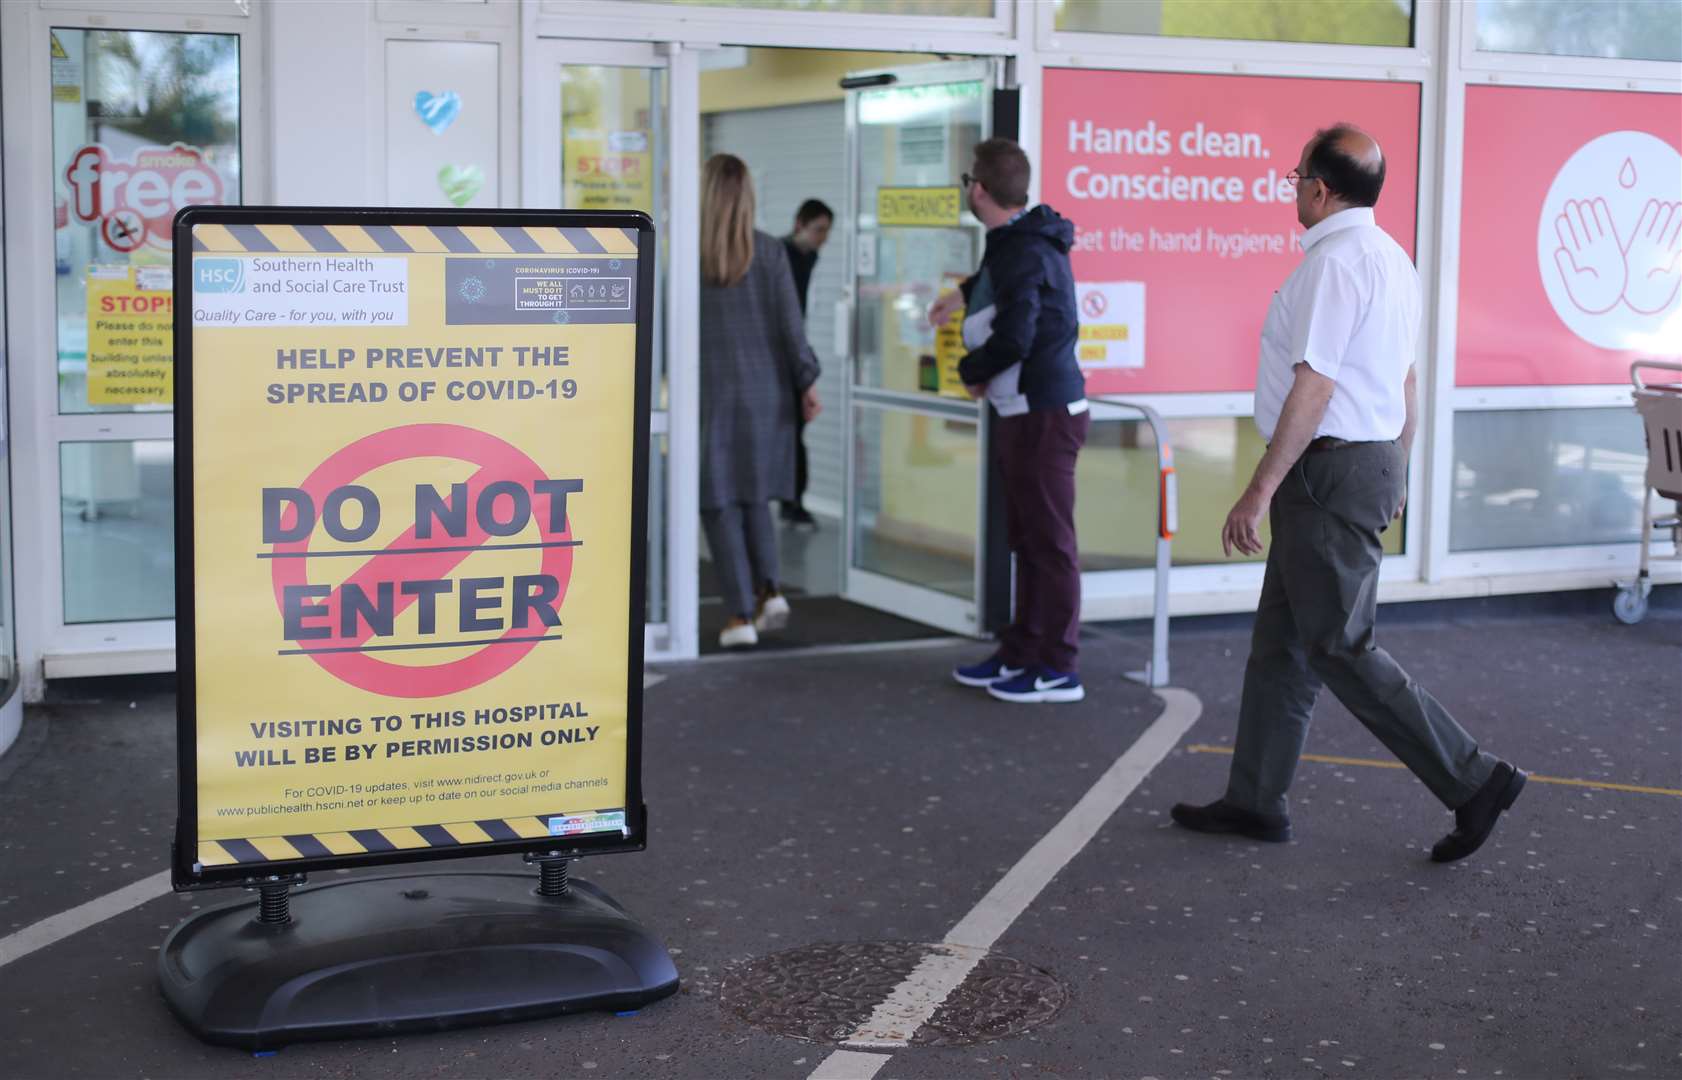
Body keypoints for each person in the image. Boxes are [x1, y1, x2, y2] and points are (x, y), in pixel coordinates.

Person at [1170, 124, 1526, 863]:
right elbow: (1406, 378)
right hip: (1353, 467)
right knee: (1282, 648)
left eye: (1295, 175)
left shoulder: (1335, 265)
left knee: (1339, 646)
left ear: (1320, 190)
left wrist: (1257, 491)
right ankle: (1254, 801)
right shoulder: (1392, 260)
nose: (1291, 185)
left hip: (1327, 472)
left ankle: (1474, 778)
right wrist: (1399, 463)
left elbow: (1317, 383)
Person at [931, 138, 1090, 704]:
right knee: (1027, 540)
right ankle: (1022, 651)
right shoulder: (1016, 242)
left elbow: (1018, 333)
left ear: (977, 189)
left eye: (966, 179)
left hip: (1043, 414)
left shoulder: (1024, 249)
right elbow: (1005, 284)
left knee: (1049, 544)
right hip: (1025, 412)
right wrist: (961, 294)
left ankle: (1059, 666)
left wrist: (973, 368)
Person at [699, 154, 823, 649]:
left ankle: (738, 616)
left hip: (710, 395)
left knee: (718, 502)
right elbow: (792, 332)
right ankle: (770, 590)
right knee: (754, 498)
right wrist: (807, 382)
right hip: (767, 396)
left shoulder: (688, 257)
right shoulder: (771, 253)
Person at [780, 199, 834, 531]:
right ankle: (788, 499)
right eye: (819, 230)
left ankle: (794, 500)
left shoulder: (809, 257)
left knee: (796, 433)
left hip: (794, 350)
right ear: (800, 224)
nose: (823, 238)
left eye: (827, 231)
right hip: (781, 354)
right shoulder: (778, 254)